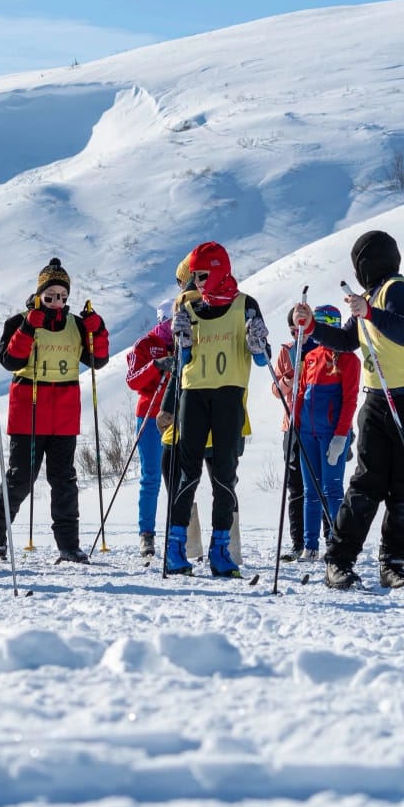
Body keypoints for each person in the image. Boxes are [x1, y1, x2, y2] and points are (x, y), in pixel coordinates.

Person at [294, 230, 404, 590]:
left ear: (364, 264)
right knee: (366, 482)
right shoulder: (367, 297)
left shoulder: (398, 290)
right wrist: (312, 327)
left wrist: (372, 312)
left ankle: (393, 562)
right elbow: (348, 341)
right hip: (380, 398)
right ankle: (339, 560)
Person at [0, 257, 109, 563]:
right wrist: (28, 327)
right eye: (51, 296)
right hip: (29, 412)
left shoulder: (77, 325)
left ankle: (69, 545)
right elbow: (10, 361)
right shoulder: (20, 321)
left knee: (64, 481)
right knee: (21, 479)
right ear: (39, 294)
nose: (57, 303)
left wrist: (99, 331)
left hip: (64, 416)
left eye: (63, 297)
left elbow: (97, 360)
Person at [166, 241, 268, 578]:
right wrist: (179, 341)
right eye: (194, 276)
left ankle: (220, 549)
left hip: (228, 394)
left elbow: (261, 357)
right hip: (193, 394)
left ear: (221, 270)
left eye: (203, 274)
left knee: (225, 475)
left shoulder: (246, 305)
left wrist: (259, 341)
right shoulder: (185, 307)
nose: (196, 281)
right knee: (188, 473)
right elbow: (180, 362)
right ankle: (175, 547)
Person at [290, 305, 359, 560]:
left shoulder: (348, 358)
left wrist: (342, 435)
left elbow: (350, 399)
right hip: (308, 432)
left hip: (332, 433)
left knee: (331, 489)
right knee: (310, 491)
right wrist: (296, 427)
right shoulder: (311, 356)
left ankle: (336, 543)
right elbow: (300, 393)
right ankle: (310, 546)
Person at [124, 300, 177, 558]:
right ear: (161, 321)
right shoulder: (145, 344)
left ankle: (181, 534)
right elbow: (133, 380)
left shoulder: (185, 340)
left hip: (178, 416)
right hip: (150, 414)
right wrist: (155, 366)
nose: (172, 327)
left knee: (179, 477)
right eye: (169, 321)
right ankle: (147, 534)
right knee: (152, 477)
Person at [270, 307, 317, 561]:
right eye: (293, 330)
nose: (299, 334)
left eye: (301, 328)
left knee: (319, 485)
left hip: (318, 424)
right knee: (295, 486)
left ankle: (327, 538)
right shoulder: (286, 351)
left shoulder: (322, 347)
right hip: (293, 424)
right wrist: (290, 378)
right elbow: (276, 389)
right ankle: (297, 542)